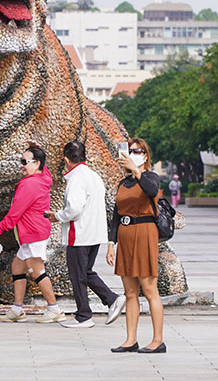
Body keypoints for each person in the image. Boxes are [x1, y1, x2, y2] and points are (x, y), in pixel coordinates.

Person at [44, 140, 126, 328]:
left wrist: (57, 216)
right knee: (85, 272)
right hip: (94, 234)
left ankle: (84, 316)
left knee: (77, 275)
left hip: (80, 234)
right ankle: (112, 299)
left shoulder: (76, 178)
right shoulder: (93, 176)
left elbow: (74, 209)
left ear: (66, 159)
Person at [0, 144, 65, 323]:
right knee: (18, 267)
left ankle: (54, 309)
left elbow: (15, 211)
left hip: (33, 233)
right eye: (21, 161)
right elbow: (45, 168)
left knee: (37, 271)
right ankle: (17, 310)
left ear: (37, 163)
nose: (22, 165)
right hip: (34, 232)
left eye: (25, 162)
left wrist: (0, 229)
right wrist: (36, 148)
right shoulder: (43, 177)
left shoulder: (29, 184)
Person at [106, 138, 166, 354]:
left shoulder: (150, 177)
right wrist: (111, 243)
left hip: (144, 232)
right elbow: (116, 214)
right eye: (129, 151)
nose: (132, 154)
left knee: (149, 289)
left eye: (137, 151)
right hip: (126, 235)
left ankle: (158, 340)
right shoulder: (123, 183)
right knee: (130, 292)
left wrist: (137, 171)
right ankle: (131, 339)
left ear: (145, 156)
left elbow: (151, 191)